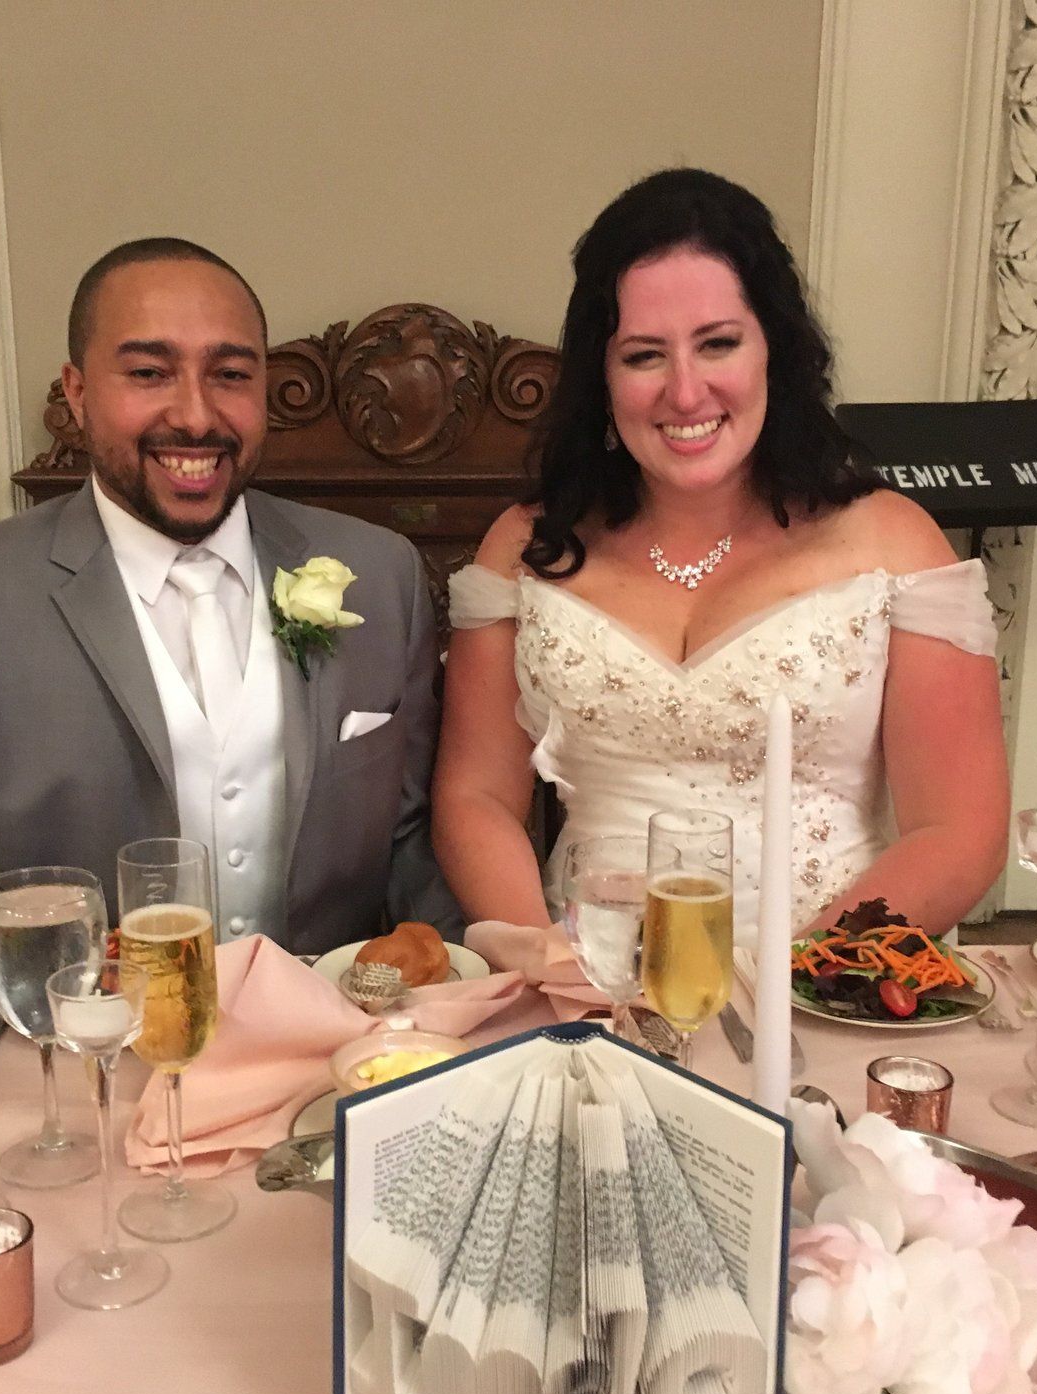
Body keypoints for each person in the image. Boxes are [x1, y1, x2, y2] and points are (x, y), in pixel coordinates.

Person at [432, 169, 1008, 950]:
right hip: (586, 982)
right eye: (643, 356)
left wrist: (794, 982)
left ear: (776, 347)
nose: (686, 390)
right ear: (601, 377)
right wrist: (540, 958)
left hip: (830, 987)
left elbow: (956, 831)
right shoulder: (527, 548)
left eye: (718, 344)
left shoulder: (892, 544)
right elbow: (476, 797)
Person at [0, 238, 460, 962]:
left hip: (341, 1044)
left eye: (230, 374)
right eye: (148, 373)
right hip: (91, 1049)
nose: (196, 417)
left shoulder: (378, 573)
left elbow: (416, 851)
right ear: (78, 393)